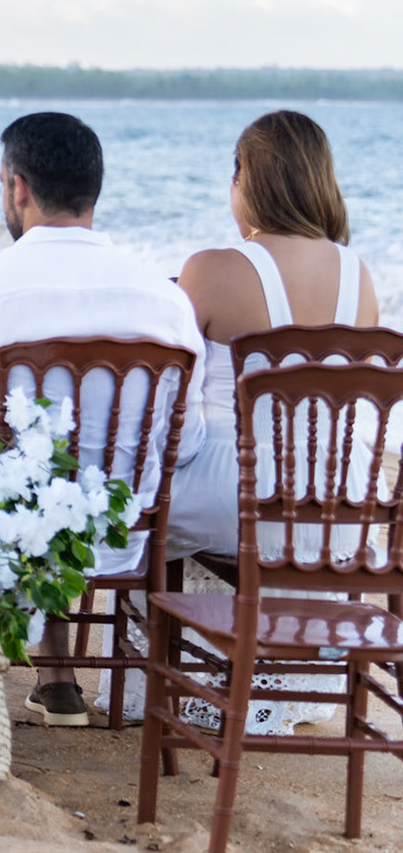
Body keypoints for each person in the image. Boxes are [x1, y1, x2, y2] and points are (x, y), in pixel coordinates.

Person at [0, 111, 206, 728]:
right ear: (94, 191)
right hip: (124, 536)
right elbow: (186, 443)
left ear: (18, 187)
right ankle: (58, 675)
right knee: (61, 475)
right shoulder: (167, 301)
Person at [142, 109, 382, 734]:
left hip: (240, 491)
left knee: (134, 504)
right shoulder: (362, 277)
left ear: (252, 179)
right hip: (337, 504)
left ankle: (183, 659)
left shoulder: (213, 268)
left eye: (237, 170)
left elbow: (170, 393)